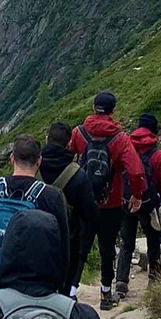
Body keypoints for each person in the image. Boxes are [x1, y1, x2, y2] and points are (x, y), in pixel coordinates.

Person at [69, 91, 145, 311]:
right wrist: (137, 195)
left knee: (80, 248)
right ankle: (105, 295)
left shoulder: (79, 133)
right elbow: (136, 171)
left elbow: (67, 156)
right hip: (110, 203)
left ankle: (71, 293)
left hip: (83, 202)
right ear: (113, 110)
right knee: (107, 249)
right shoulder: (120, 139)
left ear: (94, 108)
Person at [0, 134, 71, 291]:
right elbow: (63, 246)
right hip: (36, 286)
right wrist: (60, 286)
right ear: (39, 161)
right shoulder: (51, 196)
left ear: (12, 158)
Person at [115, 113, 161, 293]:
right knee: (153, 241)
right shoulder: (159, 156)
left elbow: (117, 175)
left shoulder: (126, 149)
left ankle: (121, 282)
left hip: (126, 202)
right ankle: (154, 281)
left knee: (126, 242)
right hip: (149, 204)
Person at [39, 122, 99, 297]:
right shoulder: (77, 174)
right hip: (67, 243)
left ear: (47, 139)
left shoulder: (34, 168)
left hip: (35, 240)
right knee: (64, 293)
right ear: (68, 144)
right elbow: (91, 214)